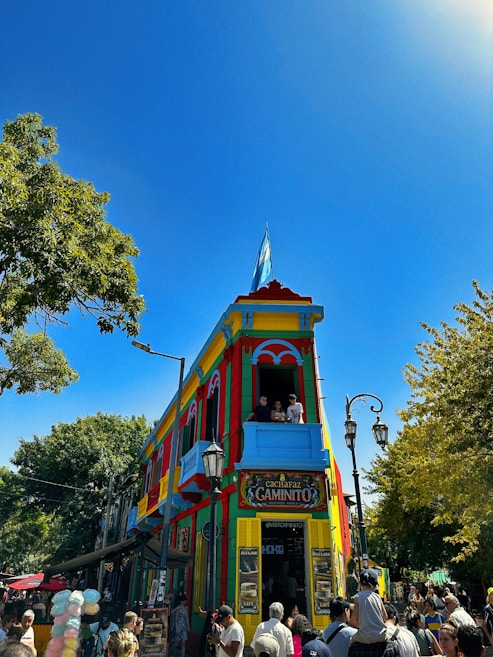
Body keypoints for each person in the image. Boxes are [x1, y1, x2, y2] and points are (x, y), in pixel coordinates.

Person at [349, 570, 387, 647]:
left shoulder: (358, 597)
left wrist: (360, 625)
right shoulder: (377, 597)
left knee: (351, 641)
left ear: (360, 584)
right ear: (374, 586)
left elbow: (353, 620)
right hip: (381, 635)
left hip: (364, 637)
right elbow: (385, 617)